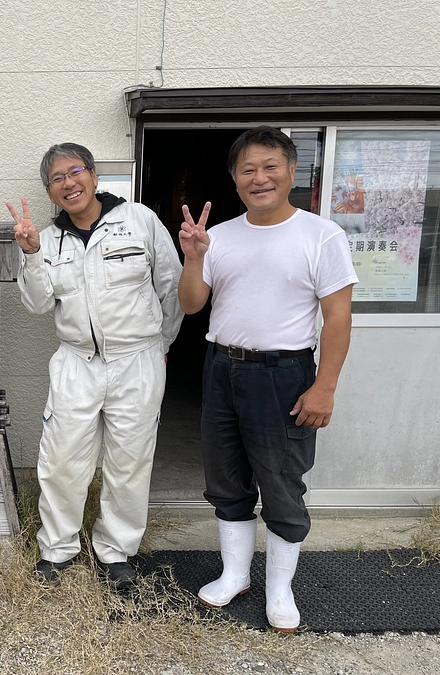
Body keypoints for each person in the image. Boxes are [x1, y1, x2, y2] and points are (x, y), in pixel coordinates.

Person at [177, 126, 358, 632]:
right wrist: (194, 257)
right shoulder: (220, 236)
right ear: (234, 179)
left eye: (270, 166)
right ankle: (235, 575)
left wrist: (325, 386)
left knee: (281, 482)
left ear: (292, 171)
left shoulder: (321, 235)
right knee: (225, 478)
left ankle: (280, 588)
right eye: (248, 169)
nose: (260, 178)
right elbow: (190, 304)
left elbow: (338, 319)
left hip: (285, 374)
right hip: (221, 369)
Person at [6, 143, 183, 590]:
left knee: (130, 461)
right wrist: (31, 254)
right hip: (76, 361)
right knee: (61, 460)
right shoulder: (46, 239)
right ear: (50, 191)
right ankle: (57, 548)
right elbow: (36, 303)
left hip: (137, 361)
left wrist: (158, 345)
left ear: (94, 174)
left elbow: (172, 286)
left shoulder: (139, 220)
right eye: (57, 179)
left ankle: (115, 550)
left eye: (75, 171)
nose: (68, 183)